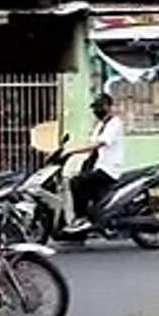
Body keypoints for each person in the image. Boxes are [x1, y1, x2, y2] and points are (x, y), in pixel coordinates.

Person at [63, 93, 125, 233]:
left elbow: (99, 144)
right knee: (78, 179)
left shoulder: (115, 124)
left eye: (100, 107)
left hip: (109, 169)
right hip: (98, 166)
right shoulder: (100, 125)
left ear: (108, 107)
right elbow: (90, 144)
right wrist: (68, 149)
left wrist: (72, 151)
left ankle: (82, 219)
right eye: (95, 107)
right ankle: (94, 217)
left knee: (77, 182)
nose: (97, 110)